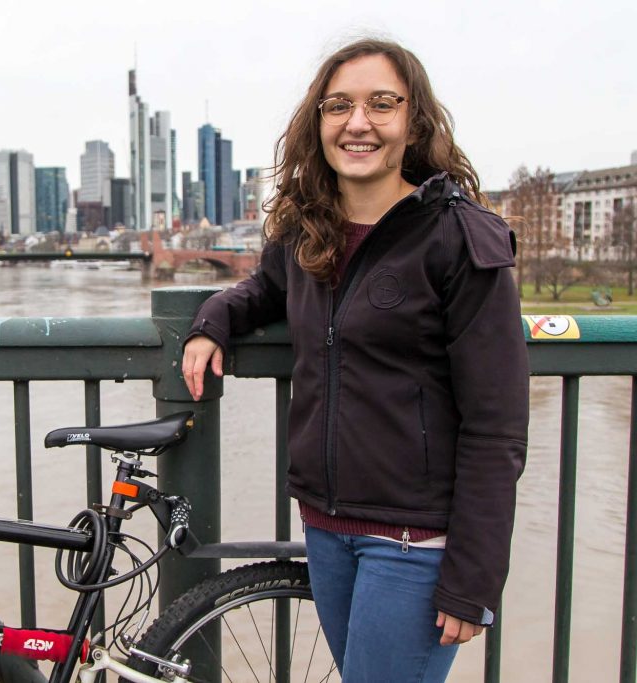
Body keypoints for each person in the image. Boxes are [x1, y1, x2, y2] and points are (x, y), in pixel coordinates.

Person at [182, 38, 529, 682]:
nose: (358, 122)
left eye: (382, 104)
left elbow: (498, 424)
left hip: (415, 543)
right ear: (318, 124)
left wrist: (473, 578)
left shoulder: (459, 237)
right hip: (327, 529)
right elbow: (265, 289)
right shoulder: (308, 229)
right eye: (338, 105)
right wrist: (212, 323)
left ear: (413, 121)